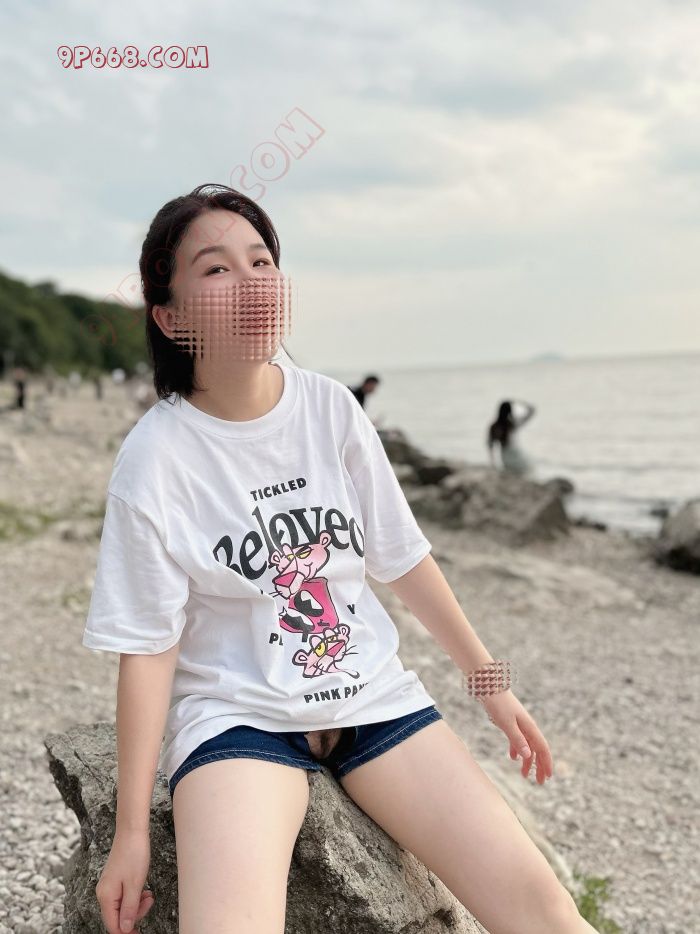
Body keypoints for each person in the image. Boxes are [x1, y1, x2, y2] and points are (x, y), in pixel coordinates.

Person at [82, 183, 594, 934]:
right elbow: (149, 646)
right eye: (216, 268)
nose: (251, 281)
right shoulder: (156, 457)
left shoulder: (330, 408)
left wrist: (491, 686)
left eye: (262, 261)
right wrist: (130, 833)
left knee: (547, 913)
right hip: (239, 720)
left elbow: (403, 557)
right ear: (171, 315)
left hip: (373, 700)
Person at [487, 399, 536, 476]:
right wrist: (517, 401)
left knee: (514, 474)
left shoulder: (494, 426)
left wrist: (493, 463)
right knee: (529, 471)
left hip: (505, 457)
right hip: (516, 454)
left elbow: (490, 445)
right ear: (510, 411)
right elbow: (532, 410)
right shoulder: (512, 424)